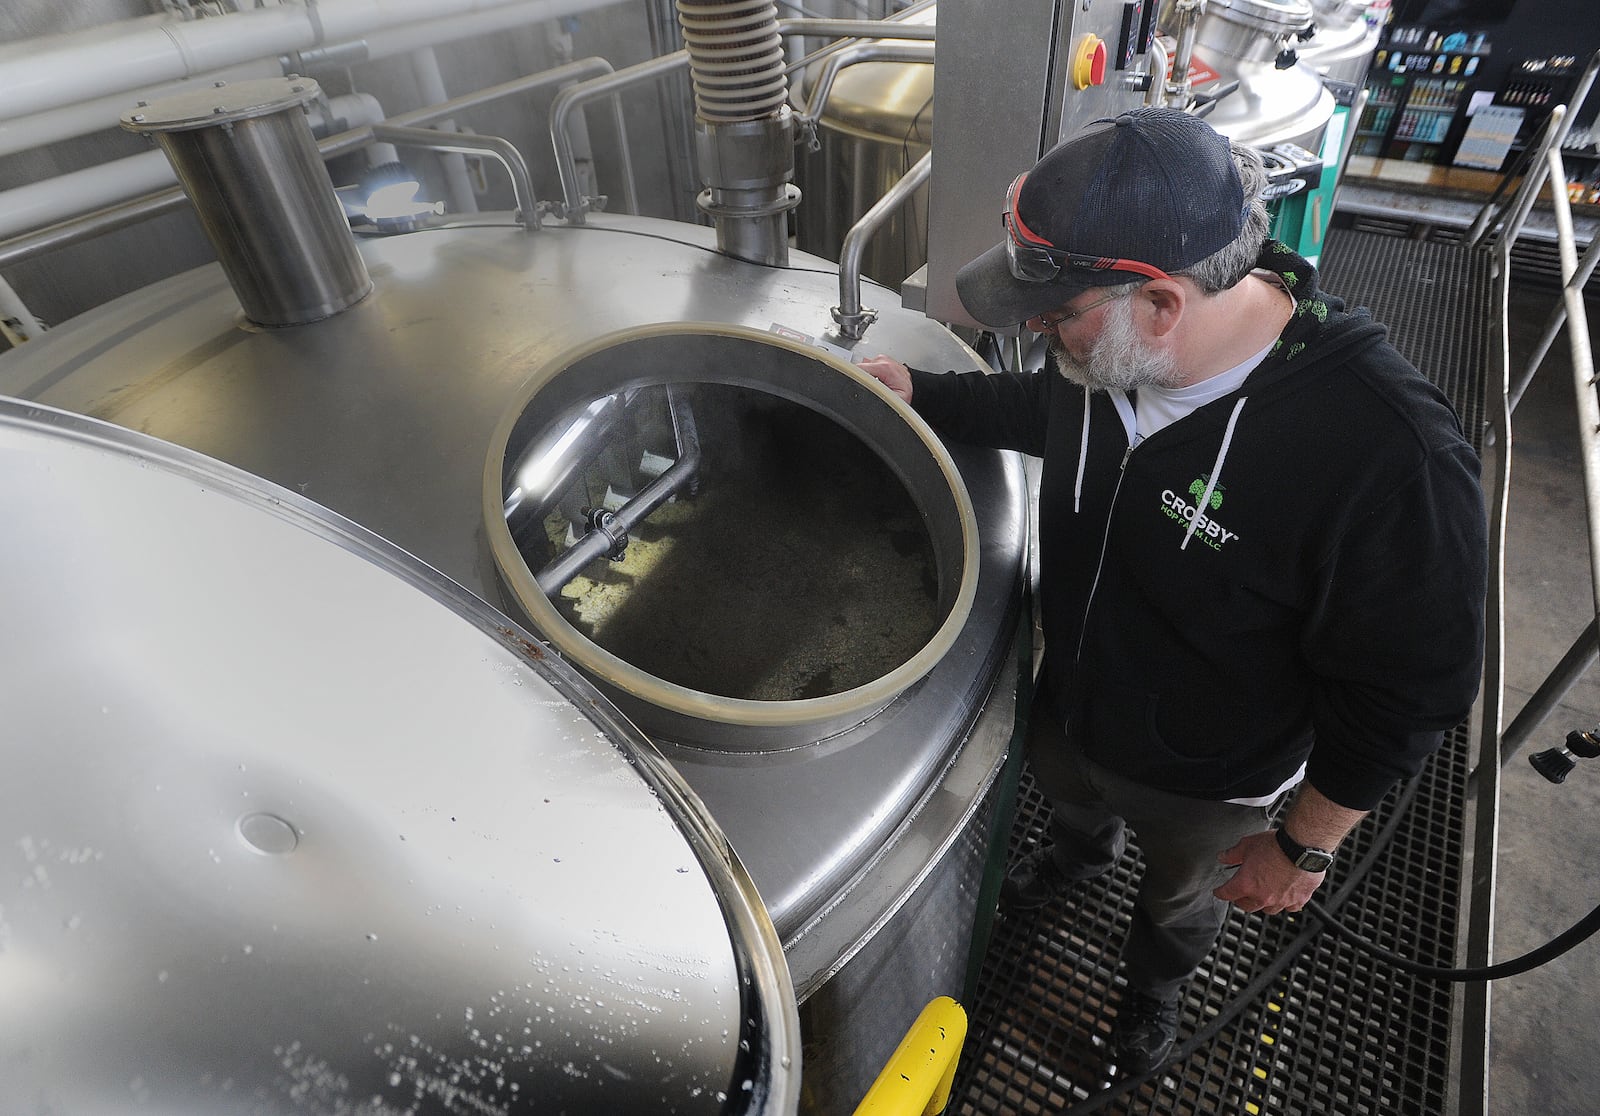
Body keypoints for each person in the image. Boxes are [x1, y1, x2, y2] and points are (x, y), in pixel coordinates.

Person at [859, 107, 1487, 1076]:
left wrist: (1303, 849)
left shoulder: (1386, 460)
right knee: (1069, 796)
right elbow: (1049, 406)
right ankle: (1075, 855)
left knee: (1180, 895)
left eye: (1056, 313)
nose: (1039, 331)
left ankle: (1151, 991)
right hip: (1073, 698)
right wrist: (928, 396)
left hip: (1205, 775)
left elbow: (1409, 689)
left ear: (1158, 301)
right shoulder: (1113, 353)